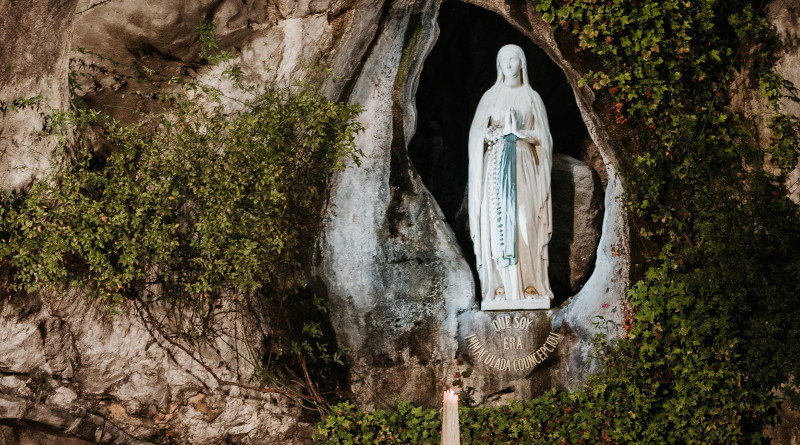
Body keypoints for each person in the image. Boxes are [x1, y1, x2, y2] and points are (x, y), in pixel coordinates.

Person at [468, 44, 554, 307]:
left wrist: (520, 134)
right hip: (496, 168)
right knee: (497, 224)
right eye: (504, 59)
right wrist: (494, 134)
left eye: (514, 58)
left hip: (524, 165)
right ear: (498, 64)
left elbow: (545, 139)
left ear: (522, 63)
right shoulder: (490, 97)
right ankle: (504, 288)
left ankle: (531, 285)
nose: (509, 64)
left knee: (526, 221)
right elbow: (475, 137)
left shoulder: (532, 98)